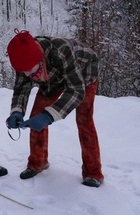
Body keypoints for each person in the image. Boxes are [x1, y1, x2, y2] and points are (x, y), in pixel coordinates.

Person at [6, 29, 104, 187]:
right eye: (25, 73)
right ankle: (38, 162)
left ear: (39, 57)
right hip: (52, 77)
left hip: (84, 73)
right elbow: (21, 89)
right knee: (36, 115)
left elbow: (76, 91)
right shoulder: (23, 62)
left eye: (32, 71)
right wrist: (16, 112)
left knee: (84, 120)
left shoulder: (61, 50)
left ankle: (93, 172)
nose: (30, 76)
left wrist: (49, 116)